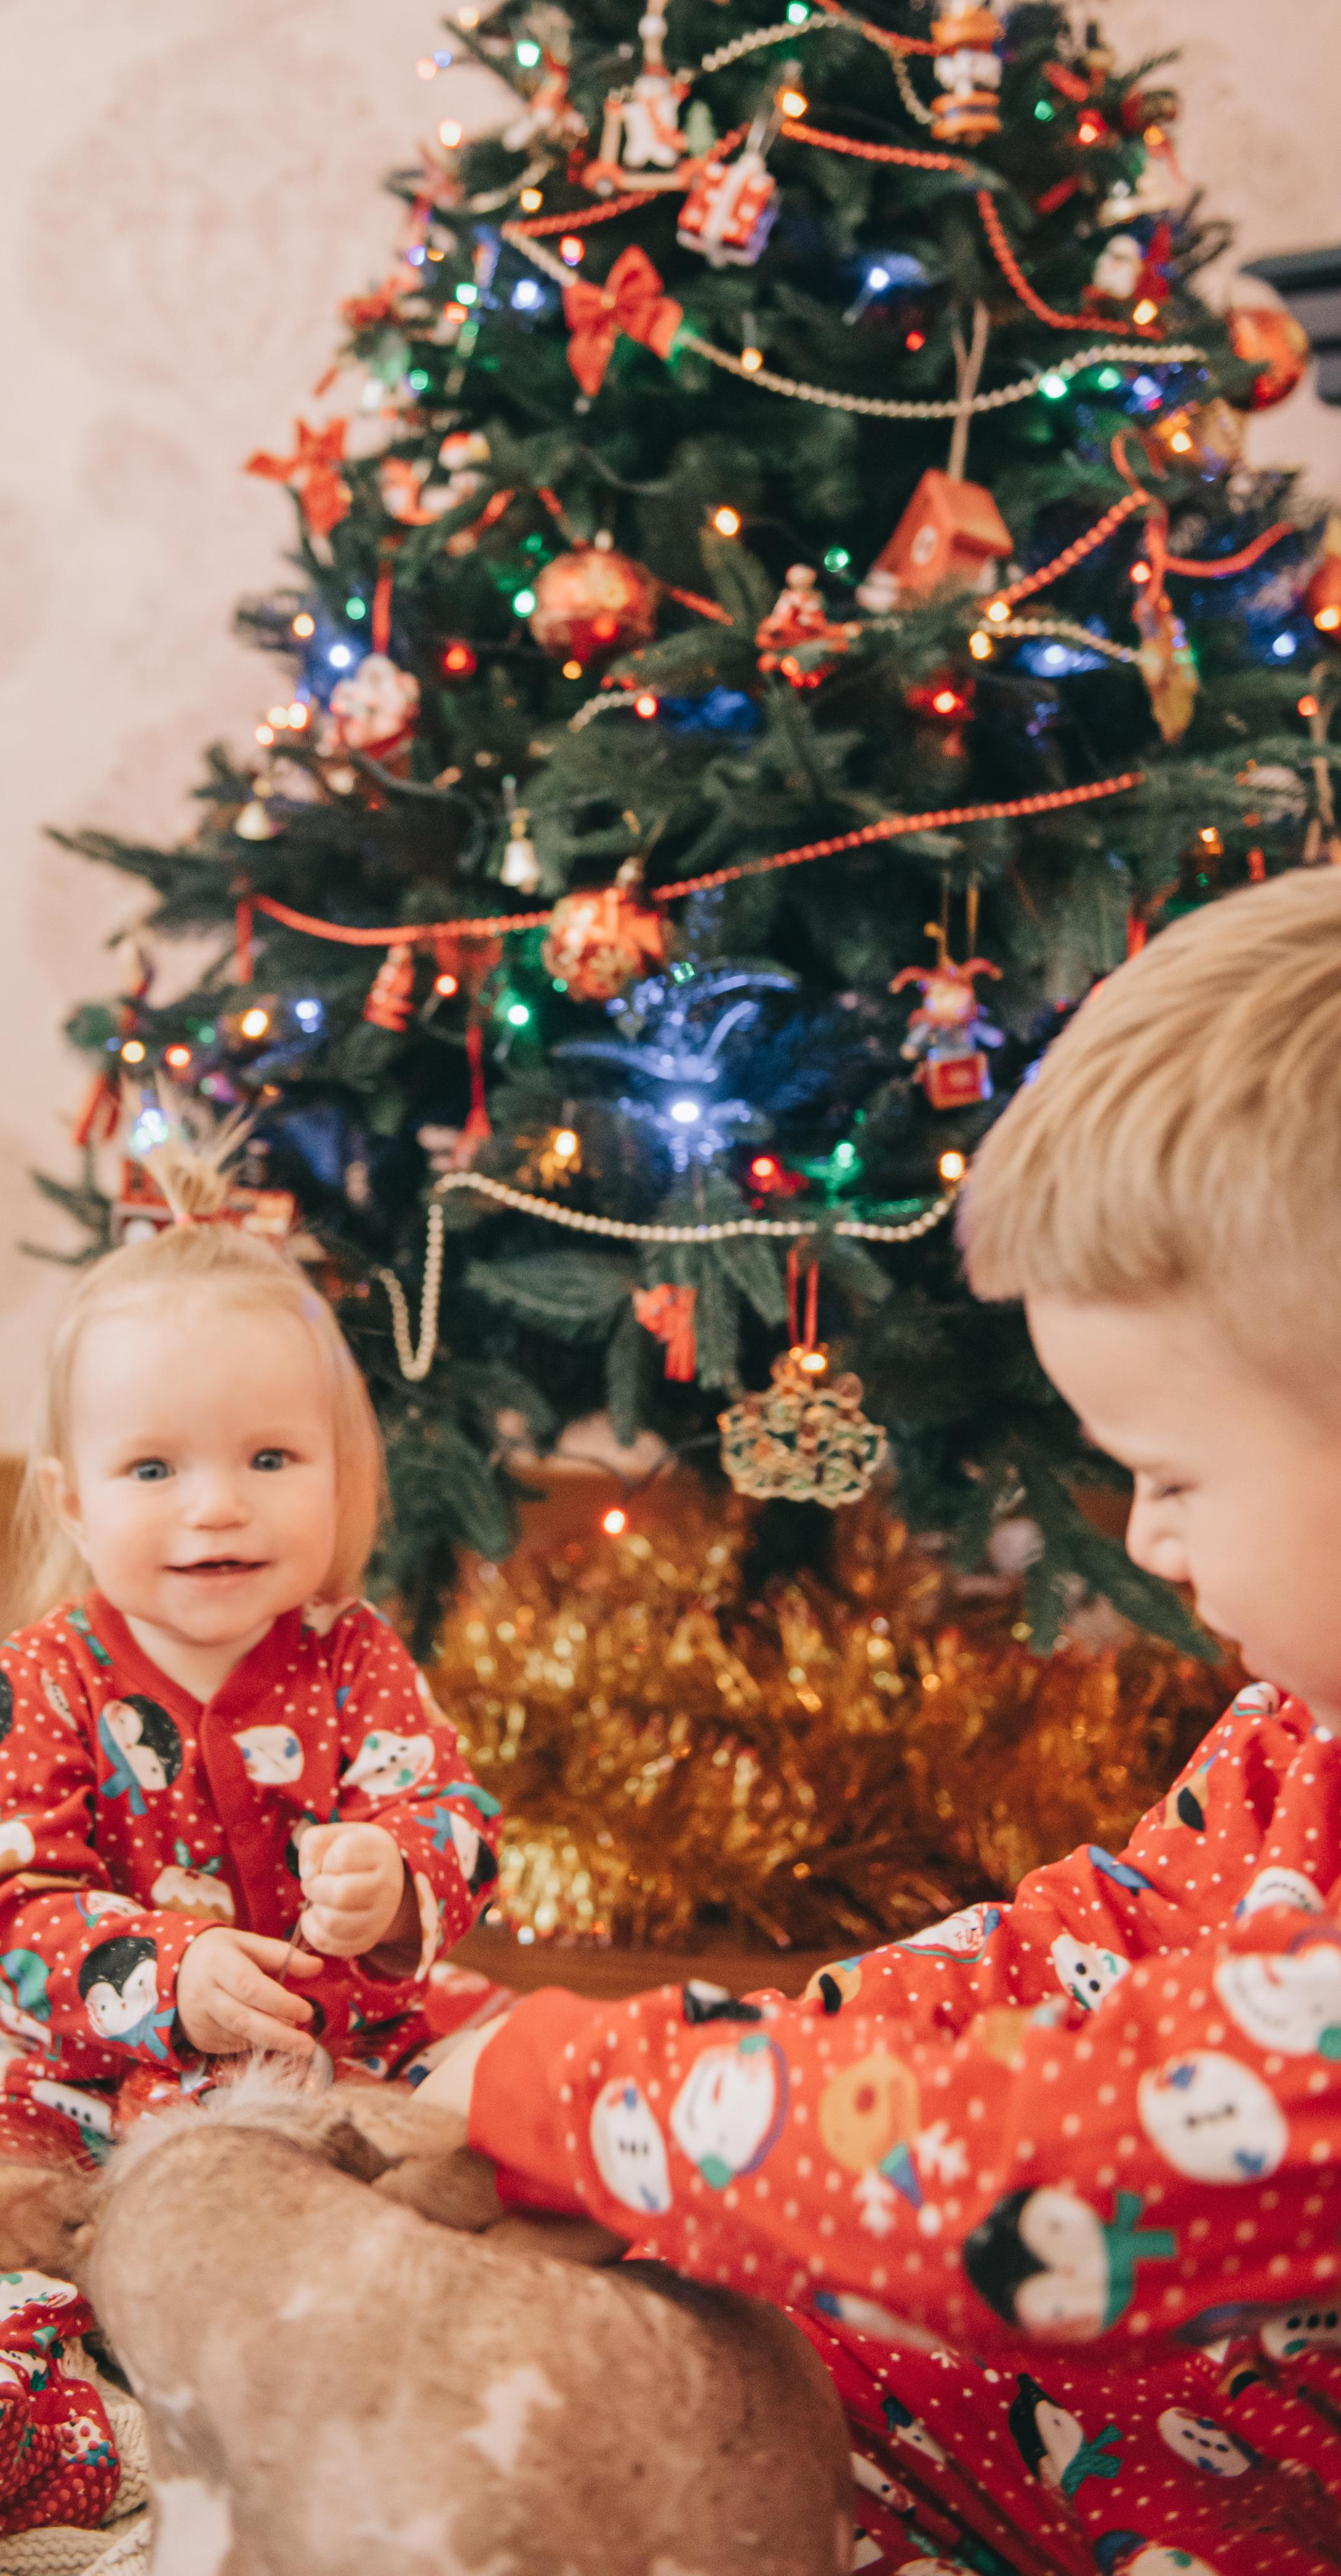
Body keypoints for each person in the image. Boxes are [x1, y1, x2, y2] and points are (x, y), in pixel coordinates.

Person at [419, 872, 1341, 2575]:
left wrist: (585, 2095)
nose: (1144, 1539)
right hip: (1168, 2417)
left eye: (1169, 1476)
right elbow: (1088, 1953)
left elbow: (1056, 2186)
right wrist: (739, 2052)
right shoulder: (1304, 1730)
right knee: (696, 2334)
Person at [0, 1197, 502, 2551]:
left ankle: (397, 2383)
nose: (215, 1504)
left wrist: (397, 1877)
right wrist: (164, 1972)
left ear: (339, 1480)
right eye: (153, 1468)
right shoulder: (39, 1682)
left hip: (346, 2071)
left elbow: (450, 1811)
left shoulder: (355, 1659)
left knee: (501, 2135)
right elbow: (7, 1906)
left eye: (269, 1457)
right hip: (99, 2085)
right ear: (72, 1502)